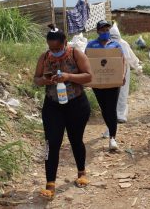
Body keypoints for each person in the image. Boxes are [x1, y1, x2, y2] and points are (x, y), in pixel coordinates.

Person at [34, 25, 92, 199]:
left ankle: (81, 172)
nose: (54, 51)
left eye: (58, 48)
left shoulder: (76, 54)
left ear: (65, 42)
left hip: (76, 104)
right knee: (52, 144)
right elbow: (36, 79)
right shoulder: (44, 57)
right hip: (53, 106)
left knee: (76, 140)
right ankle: (50, 184)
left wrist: (69, 77)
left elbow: (89, 76)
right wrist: (45, 80)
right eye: (51, 48)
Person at [86, 20, 125, 150]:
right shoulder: (91, 45)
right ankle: (110, 128)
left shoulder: (116, 45)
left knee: (111, 108)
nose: (105, 32)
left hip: (113, 82)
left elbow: (122, 61)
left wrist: (122, 75)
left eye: (107, 30)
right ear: (97, 31)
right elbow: (86, 61)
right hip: (98, 83)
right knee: (104, 108)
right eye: (102, 30)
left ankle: (112, 138)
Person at [110, 22, 142, 123]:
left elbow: (131, 57)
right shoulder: (106, 44)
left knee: (123, 93)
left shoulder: (123, 44)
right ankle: (112, 113)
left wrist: (137, 66)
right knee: (112, 93)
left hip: (124, 71)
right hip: (111, 71)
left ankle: (121, 114)